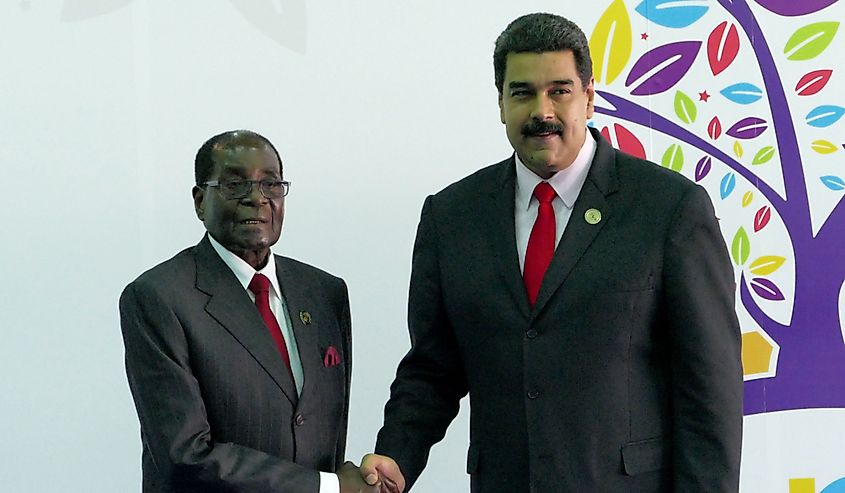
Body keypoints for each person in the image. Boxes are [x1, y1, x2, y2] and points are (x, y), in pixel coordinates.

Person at [361, 12, 743, 492]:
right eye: (522, 92)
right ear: (500, 103)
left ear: (589, 96)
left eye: (559, 90)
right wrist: (396, 454)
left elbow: (709, 389)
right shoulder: (451, 217)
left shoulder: (669, 209)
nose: (542, 111)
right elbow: (433, 368)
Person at [120, 130, 378, 492]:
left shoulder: (324, 293)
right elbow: (185, 456)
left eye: (271, 185)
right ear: (199, 201)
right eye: (235, 185)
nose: (257, 199)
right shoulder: (159, 297)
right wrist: (329, 488)